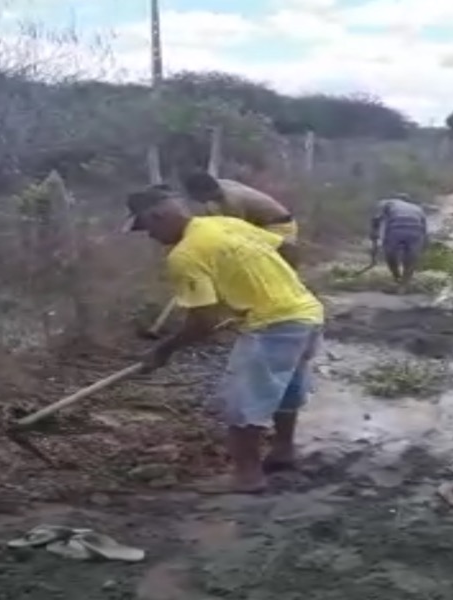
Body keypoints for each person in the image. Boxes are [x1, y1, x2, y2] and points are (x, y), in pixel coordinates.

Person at [121, 185, 323, 494]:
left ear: (159, 215)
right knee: (285, 390)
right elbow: (289, 248)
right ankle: (283, 451)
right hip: (307, 314)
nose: (149, 236)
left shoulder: (185, 255)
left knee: (243, 403)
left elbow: (203, 322)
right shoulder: (224, 223)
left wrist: (164, 350)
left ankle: (248, 477)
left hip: (273, 324)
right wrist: (268, 285)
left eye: (146, 227)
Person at [181, 172, 299, 245]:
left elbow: (237, 232)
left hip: (279, 227)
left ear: (205, 192)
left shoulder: (233, 201)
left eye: (196, 195)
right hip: (260, 226)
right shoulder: (221, 185)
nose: (194, 199)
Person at [370, 193, 429, 285]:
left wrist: (374, 233)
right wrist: (424, 242)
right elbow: (424, 228)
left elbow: (377, 218)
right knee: (411, 258)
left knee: (390, 254)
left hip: (396, 229)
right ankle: (405, 282)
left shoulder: (388, 202)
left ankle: (396, 277)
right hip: (415, 231)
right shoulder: (417, 208)